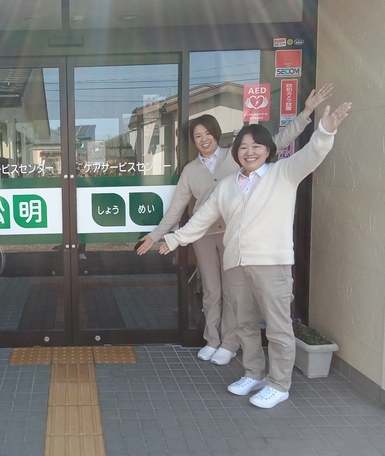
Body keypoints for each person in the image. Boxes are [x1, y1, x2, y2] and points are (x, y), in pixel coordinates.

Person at [159, 101, 352, 408]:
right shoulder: (227, 185)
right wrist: (174, 239)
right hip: (236, 264)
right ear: (236, 153)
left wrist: (325, 132)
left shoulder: (282, 174)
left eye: (256, 146)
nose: (249, 152)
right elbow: (202, 218)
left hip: (272, 265)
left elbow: (311, 155)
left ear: (267, 150)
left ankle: (279, 384)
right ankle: (254, 374)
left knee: (277, 328)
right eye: (243, 147)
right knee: (245, 325)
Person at [136, 84, 333, 366]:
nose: (203, 139)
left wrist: (306, 113)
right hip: (203, 236)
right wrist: (156, 236)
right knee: (211, 291)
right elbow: (177, 210)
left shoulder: (237, 154)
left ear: (216, 134)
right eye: (197, 136)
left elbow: (278, 140)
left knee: (232, 292)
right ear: (193, 141)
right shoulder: (190, 170)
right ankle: (211, 339)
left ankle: (229, 343)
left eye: (207, 133)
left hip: (234, 235)